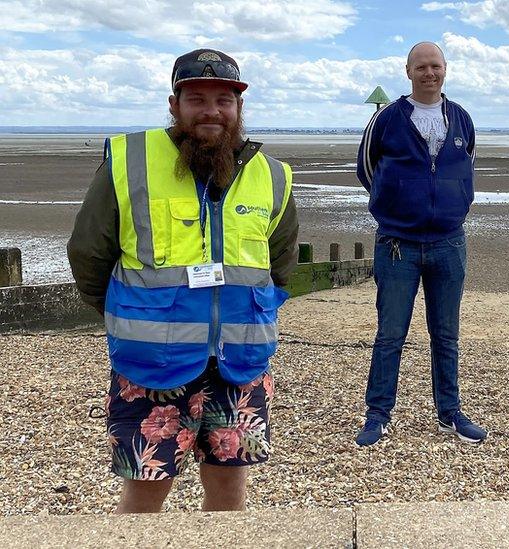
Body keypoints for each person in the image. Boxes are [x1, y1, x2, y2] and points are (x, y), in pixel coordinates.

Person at [67, 48, 298, 513]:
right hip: (152, 366)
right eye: (196, 98)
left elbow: (280, 265)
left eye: (223, 99)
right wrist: (133, 314)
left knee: (229, 493)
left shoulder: (272, 176)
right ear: (174, 105)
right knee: (144, 497)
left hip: (240, 364)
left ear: (238, 108)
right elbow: (89, 255)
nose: (211, 110)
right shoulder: (130, 161)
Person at [354, 41, 486, 446]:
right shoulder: (388, 119)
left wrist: (453, 204)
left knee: (446, 335)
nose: (429, 73)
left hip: (449, 242)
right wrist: (395, 206)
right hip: (399, 244)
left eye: (436, 66)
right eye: (421, 67)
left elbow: (467, 167)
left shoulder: (461, 118)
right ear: (408, 71)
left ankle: (449, 412)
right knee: (390, 334)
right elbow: (366, 168)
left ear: (445, 70)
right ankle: (377, 414)